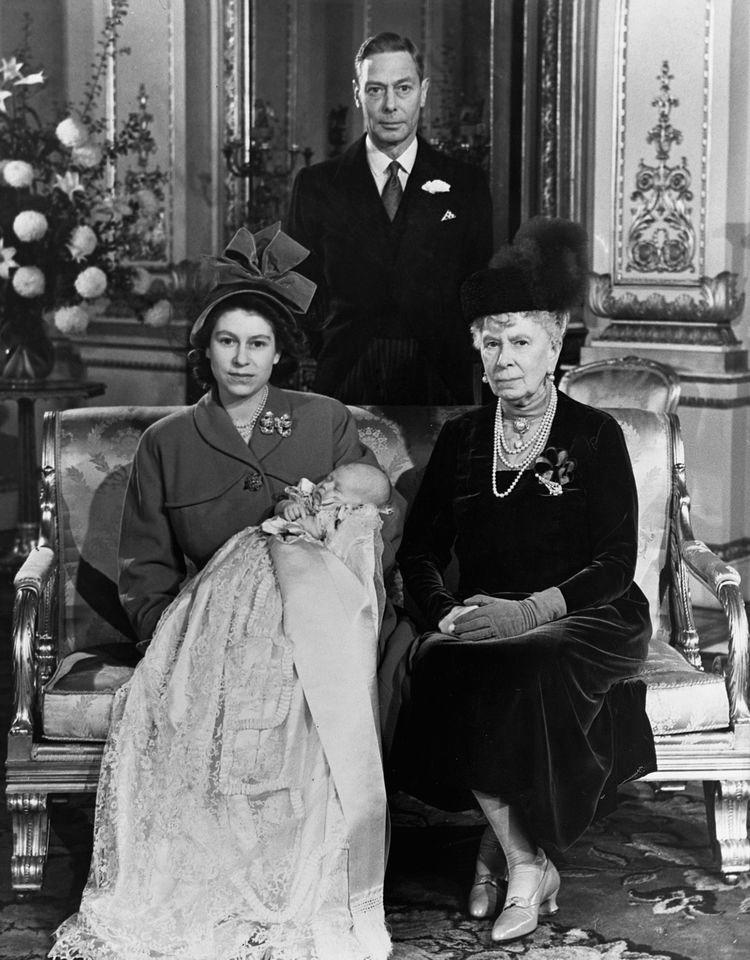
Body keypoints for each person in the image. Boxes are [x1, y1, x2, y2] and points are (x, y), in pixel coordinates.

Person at [49, 224, 401, 960]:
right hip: (206, 620)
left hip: (315, 625)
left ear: (280, 353)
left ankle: (292, 888)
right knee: (195, 697)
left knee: (304, 698)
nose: (242, 359)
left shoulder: (321, 419)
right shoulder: (168, 443)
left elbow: (367, 525)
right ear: (205, 350)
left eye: (258, 344)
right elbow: (143, 567)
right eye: (228, 342)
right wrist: (177, 637)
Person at [392, 217, 656, 943]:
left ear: (553, 348)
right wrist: (443, 614)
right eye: (491, 343)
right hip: (485, 614)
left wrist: (532, 610)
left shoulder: (594, 436)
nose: (504, 359)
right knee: (447, 666)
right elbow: (418, 552)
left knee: (532, 663)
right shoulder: (460, 440)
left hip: (589, 612)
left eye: (520, 343)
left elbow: (616, 561)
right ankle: (522, 857)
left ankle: (505, 854)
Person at [286, 30, 493, 405]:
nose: (390, 106)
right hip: (343, 375)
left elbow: (477, 288)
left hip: (441, 380)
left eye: (403, 88)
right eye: (375, 90)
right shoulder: (317, 185)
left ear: (424, 92)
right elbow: (297, 289)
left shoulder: (467, 185)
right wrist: (331, 345)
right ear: (357, 93)